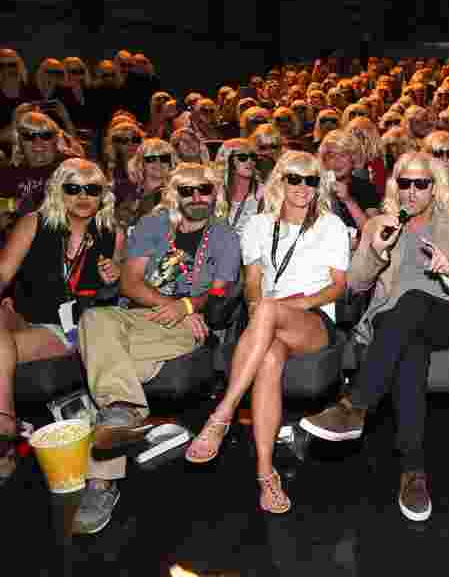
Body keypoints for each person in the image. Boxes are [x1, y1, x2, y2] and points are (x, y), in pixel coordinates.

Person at [300, 152, 449, 522]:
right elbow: (355, 283)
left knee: (415, 301)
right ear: (395, 187)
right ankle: (413, 471)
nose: (413, 191)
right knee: (410, 348)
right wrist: (375, 252)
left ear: (434, 188)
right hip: (394, 323)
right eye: (405, 183)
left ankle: (355, 405)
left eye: (421, 183)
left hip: (444, 315)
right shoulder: (378, 225)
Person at [75, 162, 241, 534]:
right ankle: (124, 411)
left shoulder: (226, 236)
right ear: (175, 193)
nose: (197, 197)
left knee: (105, 358)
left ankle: (100, 483)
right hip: (137, 315)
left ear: (215, 194)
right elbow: (130, 283)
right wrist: (165, 304)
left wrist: (184, 307)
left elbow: (218, 294)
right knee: (94, 320)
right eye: (188, 190)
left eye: (205, 190)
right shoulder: (153, 225)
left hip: (185, 324)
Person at [186, 151, 348, 514]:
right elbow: (253, 282)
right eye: (295, 178)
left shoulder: (331, 225)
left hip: (314, 320)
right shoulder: (258, 225)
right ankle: (265, 474)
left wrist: (296, 304)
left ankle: (222, 415)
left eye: (311, 181)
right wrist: (260, 307)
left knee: (272, 308)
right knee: (270, 357)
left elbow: (338, 286)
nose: (303, 187)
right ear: (280, 181)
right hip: (268, 323)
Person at [0, 159, 122, 485]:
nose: (83, 196)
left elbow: (115, 298)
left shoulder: (111, 234)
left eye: (92, 190)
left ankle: (5, 429)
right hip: (22, 317)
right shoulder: (34, 223)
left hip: (69, 329)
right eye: (73, 188)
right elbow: (2, 275)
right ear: (58, 190)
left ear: (102, 195)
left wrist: (113, 279)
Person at [216, 138, 264, 236]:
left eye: (253, 157)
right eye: (242, 157)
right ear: (227, 159)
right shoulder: (215, 192)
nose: (250, 161)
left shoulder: (264, 193)